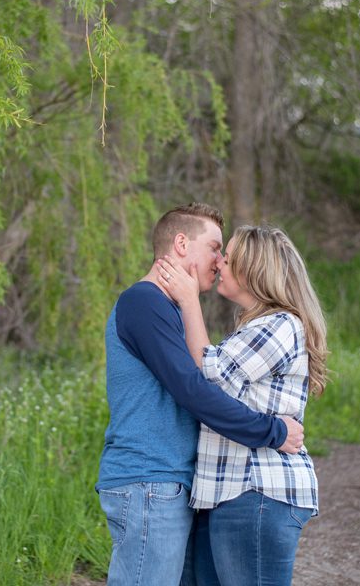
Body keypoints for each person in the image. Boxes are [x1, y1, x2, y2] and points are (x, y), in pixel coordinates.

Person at [96, 204, 305, 586]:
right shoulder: (144, 302)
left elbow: (205, 377)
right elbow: (195, 391)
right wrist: (272, 432)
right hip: (149, 480)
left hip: (169, 483)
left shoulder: (169, 309)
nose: (220, 260)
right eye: (214, 247)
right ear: (180, 244)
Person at [156, 224, 327, 586]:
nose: (218, 263)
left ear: (252, 271)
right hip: (233, 494)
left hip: (258, 492)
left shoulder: (280, 325)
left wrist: (189, 301)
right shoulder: (254, 327)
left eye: (228, 258)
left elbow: (210, 375)